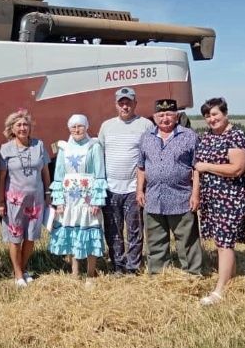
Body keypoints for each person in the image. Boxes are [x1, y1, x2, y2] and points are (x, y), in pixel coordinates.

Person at [194, 98, 245, 305]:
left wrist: (207, 166)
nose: (211, 119)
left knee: (224, 243)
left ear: (225, 113)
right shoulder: (206, 137)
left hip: (231, 197)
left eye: (215, 114)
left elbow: (237, 168)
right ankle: (230, 280)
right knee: (220, 241)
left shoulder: (236, 136)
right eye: (207, 116)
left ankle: (219, 291)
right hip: (211, 198)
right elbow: (197, 167)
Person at [136, 99, 203, 275]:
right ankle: (158, 274)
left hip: (181, 197)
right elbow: (141, 167)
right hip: (154, 197)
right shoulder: (146, 137)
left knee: (187, 240)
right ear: (154, 117)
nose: (165, 118)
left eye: (169, 114)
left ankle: (192, 274)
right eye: (161, 115)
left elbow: (197, 168)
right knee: (156, 240)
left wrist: (195, 194)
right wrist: (139, 190)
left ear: (177, 116)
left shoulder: (189, 136)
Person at [98, 87, 154, 276]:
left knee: (134, 229)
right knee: (113, 228)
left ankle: (133, 266)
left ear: (135, 104)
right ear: (116, 105)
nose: (125, 106)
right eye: (121, 102)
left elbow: (149, 156)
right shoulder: (106, 126)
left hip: (133, 188)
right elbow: (99, 155)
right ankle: (117, 264)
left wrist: (143, 186)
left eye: (128, 102)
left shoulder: (145, 125)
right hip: (110, 187)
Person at [0, 109, 51, 287]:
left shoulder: (39, 145)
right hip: (14, 201)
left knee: (31, 236)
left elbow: (45, 172)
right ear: (12, 128)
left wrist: (48, 193)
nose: (22, 128)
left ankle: (23, 268)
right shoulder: (6, 149)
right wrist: (0, 202)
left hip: (35, 200)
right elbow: (2, 178)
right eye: (18, 125)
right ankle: (18, 274)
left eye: (25, 124)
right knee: (16, 237)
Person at [48, 114, 107, 282]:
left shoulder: (93, 146)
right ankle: (74, 273)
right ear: (69, 128)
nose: (76, 129)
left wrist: (96, 200)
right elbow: (58, 176)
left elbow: (99, 174)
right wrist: (58, 200)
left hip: (87, 199)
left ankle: (90, 274)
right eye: (73, 126)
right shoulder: (64, 148)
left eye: (80, 126)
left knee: (89, 233)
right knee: (73, 234)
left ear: (86, 127)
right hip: (69, 199)